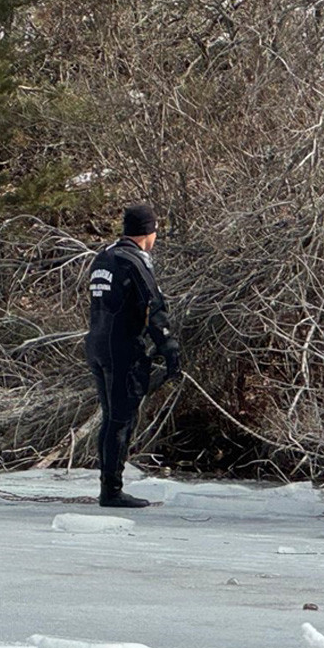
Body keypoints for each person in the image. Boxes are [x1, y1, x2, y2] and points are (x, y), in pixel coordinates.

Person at [85, 204, 181, 508]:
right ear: (148, 232)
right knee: (121, 420)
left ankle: (109, 486)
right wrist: (169, 348)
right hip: (121, 349)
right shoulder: (134, 262)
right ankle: (111, 491)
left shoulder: (104, 257)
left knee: (111, 418)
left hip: (97, 345)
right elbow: (154, 307)